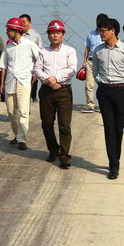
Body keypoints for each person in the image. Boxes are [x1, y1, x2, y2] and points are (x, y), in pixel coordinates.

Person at [92, 18, 124, 179]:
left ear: (112, 31)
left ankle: (116, 158)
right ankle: (113, 165)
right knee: (109, 129)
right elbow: (95, 70)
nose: (101, 34)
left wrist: (123, 86)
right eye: (99, 31)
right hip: (104, 92)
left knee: (118, 128)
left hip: (120, 91)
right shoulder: (98, 50)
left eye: (103, 31)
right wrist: (102, 83)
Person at [34, 20, 77, 169]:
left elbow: (72, 69)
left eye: (58, 32)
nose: (55, 35)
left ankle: (64, 155)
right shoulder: (43, 51)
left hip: (63, 91)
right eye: (52, 32)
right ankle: (53, 150)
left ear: (63, 35)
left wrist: (56, 78)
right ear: (48, 35)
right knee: (46, 124)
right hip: (46, 91)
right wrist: (49, 80)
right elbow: (37, 69)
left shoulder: (70, 51)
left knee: (64, 125)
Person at [0, 18, 40, 151]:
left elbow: (40, 59)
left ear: (16, 31)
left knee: (23, 111)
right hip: (10, 82)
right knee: (11, 112)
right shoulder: (8, 47)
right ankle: (17, 135)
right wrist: (2, 84)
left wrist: (36, 74)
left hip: (24, 81)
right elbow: (3, 66)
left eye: (8, 30)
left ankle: (22, 139)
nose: (6, 32)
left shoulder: (30, 45)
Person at [82, 14, 108, 113]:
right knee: (89, 84)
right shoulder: (90, 34)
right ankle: (90, 105)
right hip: (91, 61)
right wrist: (84, 62)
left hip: (103, 62)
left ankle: (104, 105)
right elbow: (87, 49)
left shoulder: (108, 34)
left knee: (104, 84)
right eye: (98, 22)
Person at [20, 14, 42, 102]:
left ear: (30, 23)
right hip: (20, 63)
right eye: (20, 22)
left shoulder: (35, 36)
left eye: (24, 22)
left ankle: (33, 97)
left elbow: (39, 52)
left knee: (33, 80)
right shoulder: (17, 34)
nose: (22, 24)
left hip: (32, 63)